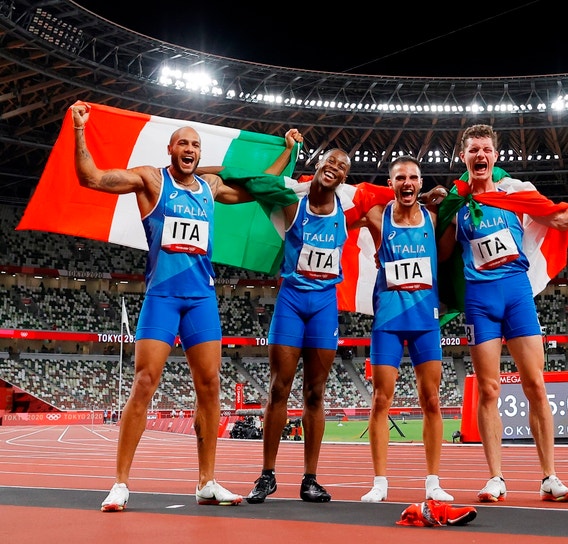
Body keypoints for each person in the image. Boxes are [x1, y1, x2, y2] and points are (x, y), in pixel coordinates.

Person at [70, 101, 246, 511]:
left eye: (196, 145)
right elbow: (91, 177)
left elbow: (256, 188)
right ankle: (120, 483)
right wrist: (80, 129)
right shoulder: (151, 179)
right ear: (170, 149)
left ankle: (206, 482)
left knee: (210, 386)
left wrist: (285, 154)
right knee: (145, 382)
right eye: (183, 143)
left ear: (200, 154)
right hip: (163, 296)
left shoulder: (210, 187)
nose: (190, 149)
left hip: (202, 298)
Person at [436, 124, 568, 502]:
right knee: (488, 389)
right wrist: (434, 209)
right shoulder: (456, 206)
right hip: (479, 302)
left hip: (517, 295)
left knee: (536, 384)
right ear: (464, 157)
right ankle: (495, 478)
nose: (480, 155)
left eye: (486, 149)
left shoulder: (516, 193)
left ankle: (549, 477)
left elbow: (564, 218)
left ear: (494, 156)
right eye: (473, 150)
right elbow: (440, 255)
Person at [206, 131, 392, 503]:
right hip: (291, 303)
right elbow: (254, 180)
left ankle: (310, 479)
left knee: (315, 394)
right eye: (330, 160)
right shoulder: (293, 203)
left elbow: (387, 213)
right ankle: (267, 475)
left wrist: (381, 245)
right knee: (279, 389)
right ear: (318, 165)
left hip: (324, 307)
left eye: (343, 167)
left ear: (344, 178)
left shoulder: (348, 212)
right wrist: (288, 150)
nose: (335, 167)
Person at [358, 155, 452, 503]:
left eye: (413, 177)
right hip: (388, 321)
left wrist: (436, 197)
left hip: (425, 320)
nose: (407, 182)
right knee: (381, 400)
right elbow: (348, 203)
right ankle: (380, 482)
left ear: (420, 182)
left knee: (432, 400)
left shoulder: (434, 217)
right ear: (391, 184)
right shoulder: (377, 217)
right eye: (400, 178)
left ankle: (433, 482)